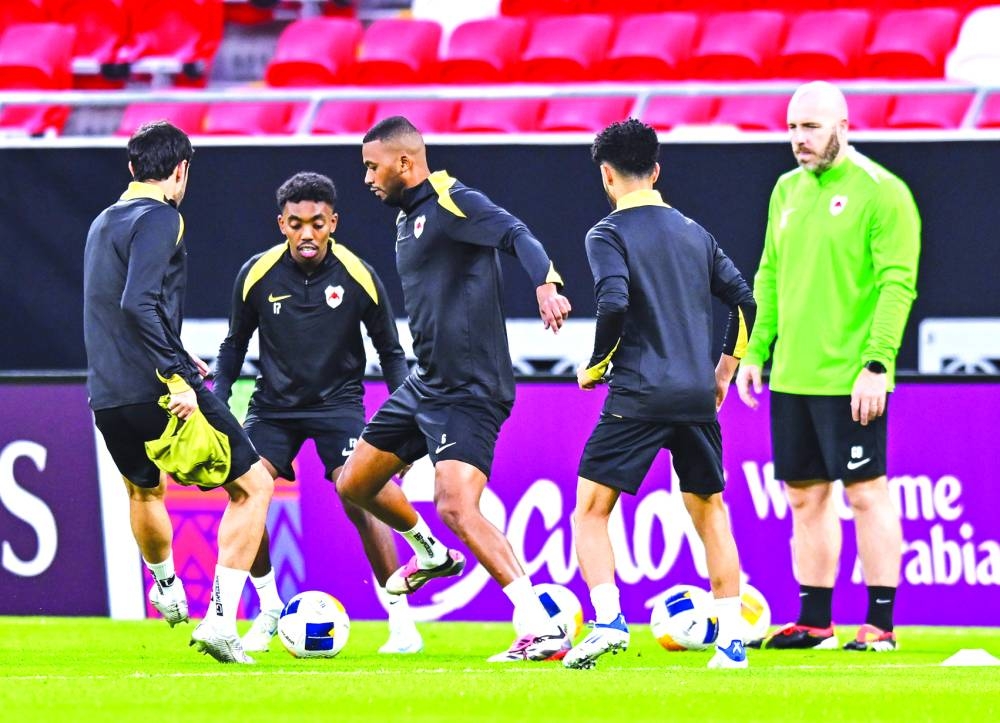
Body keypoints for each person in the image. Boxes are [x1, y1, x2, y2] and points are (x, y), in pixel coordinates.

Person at [336, 115, 574, 662]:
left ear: (405, 161)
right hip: (426, 383)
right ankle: (431, 554)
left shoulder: (452, 199)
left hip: (470, 388)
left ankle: (541, 625)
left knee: (456, 506)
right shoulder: (405, 218)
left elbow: (516, 234)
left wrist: (546, 282)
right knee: (355, 483)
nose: (368, 177)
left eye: (373, 167)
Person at [560, 119, 757, 671]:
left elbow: (614, 303)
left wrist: (596, 365)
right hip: (695, 398)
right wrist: (722, 372)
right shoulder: (695, 233)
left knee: (591, 512)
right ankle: (732, 644)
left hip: (638, 394)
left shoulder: (607, 234)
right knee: (711, 512)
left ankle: (607, 623)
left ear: (606, 174)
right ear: (656, 170)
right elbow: (745, 302)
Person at [736, 81, 921, 652]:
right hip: (793, 374)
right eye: (792, 127)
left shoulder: (882, 192)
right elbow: (767, 275)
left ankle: (881, 626)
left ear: (844, 125)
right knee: (804, 498)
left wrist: (876, 363)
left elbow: (898, 284)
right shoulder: (785, 190)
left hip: (850, 377)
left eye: (811, 127)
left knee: (867, 493)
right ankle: (816, 623)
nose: (798, 139)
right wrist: (755, 349)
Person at [83, 121, 274, 664]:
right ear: (182, 169)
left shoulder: (104, 221)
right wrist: (175, 373)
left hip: (107, 392)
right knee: (254, 487)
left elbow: (114, 308)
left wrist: (175, 346)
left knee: (143, 492)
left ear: (130, 167)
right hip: (159, 388)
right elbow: (137, 303)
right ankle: (219, 621)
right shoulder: (162, 216)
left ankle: (165, 585)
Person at [212, 171, 422, 654]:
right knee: (248, 492)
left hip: (339, 405)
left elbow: (390, 351)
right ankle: (267, 609)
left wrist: (404, 418)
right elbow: (233, 345)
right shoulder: (256, 274)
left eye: (317, 223)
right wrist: (219, 397)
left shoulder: (359, 274)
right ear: (281, 224)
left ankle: (400, 620)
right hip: (272, 407)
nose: (307, 233)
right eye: (296, 223)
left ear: (334, 223)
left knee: (360, 495)